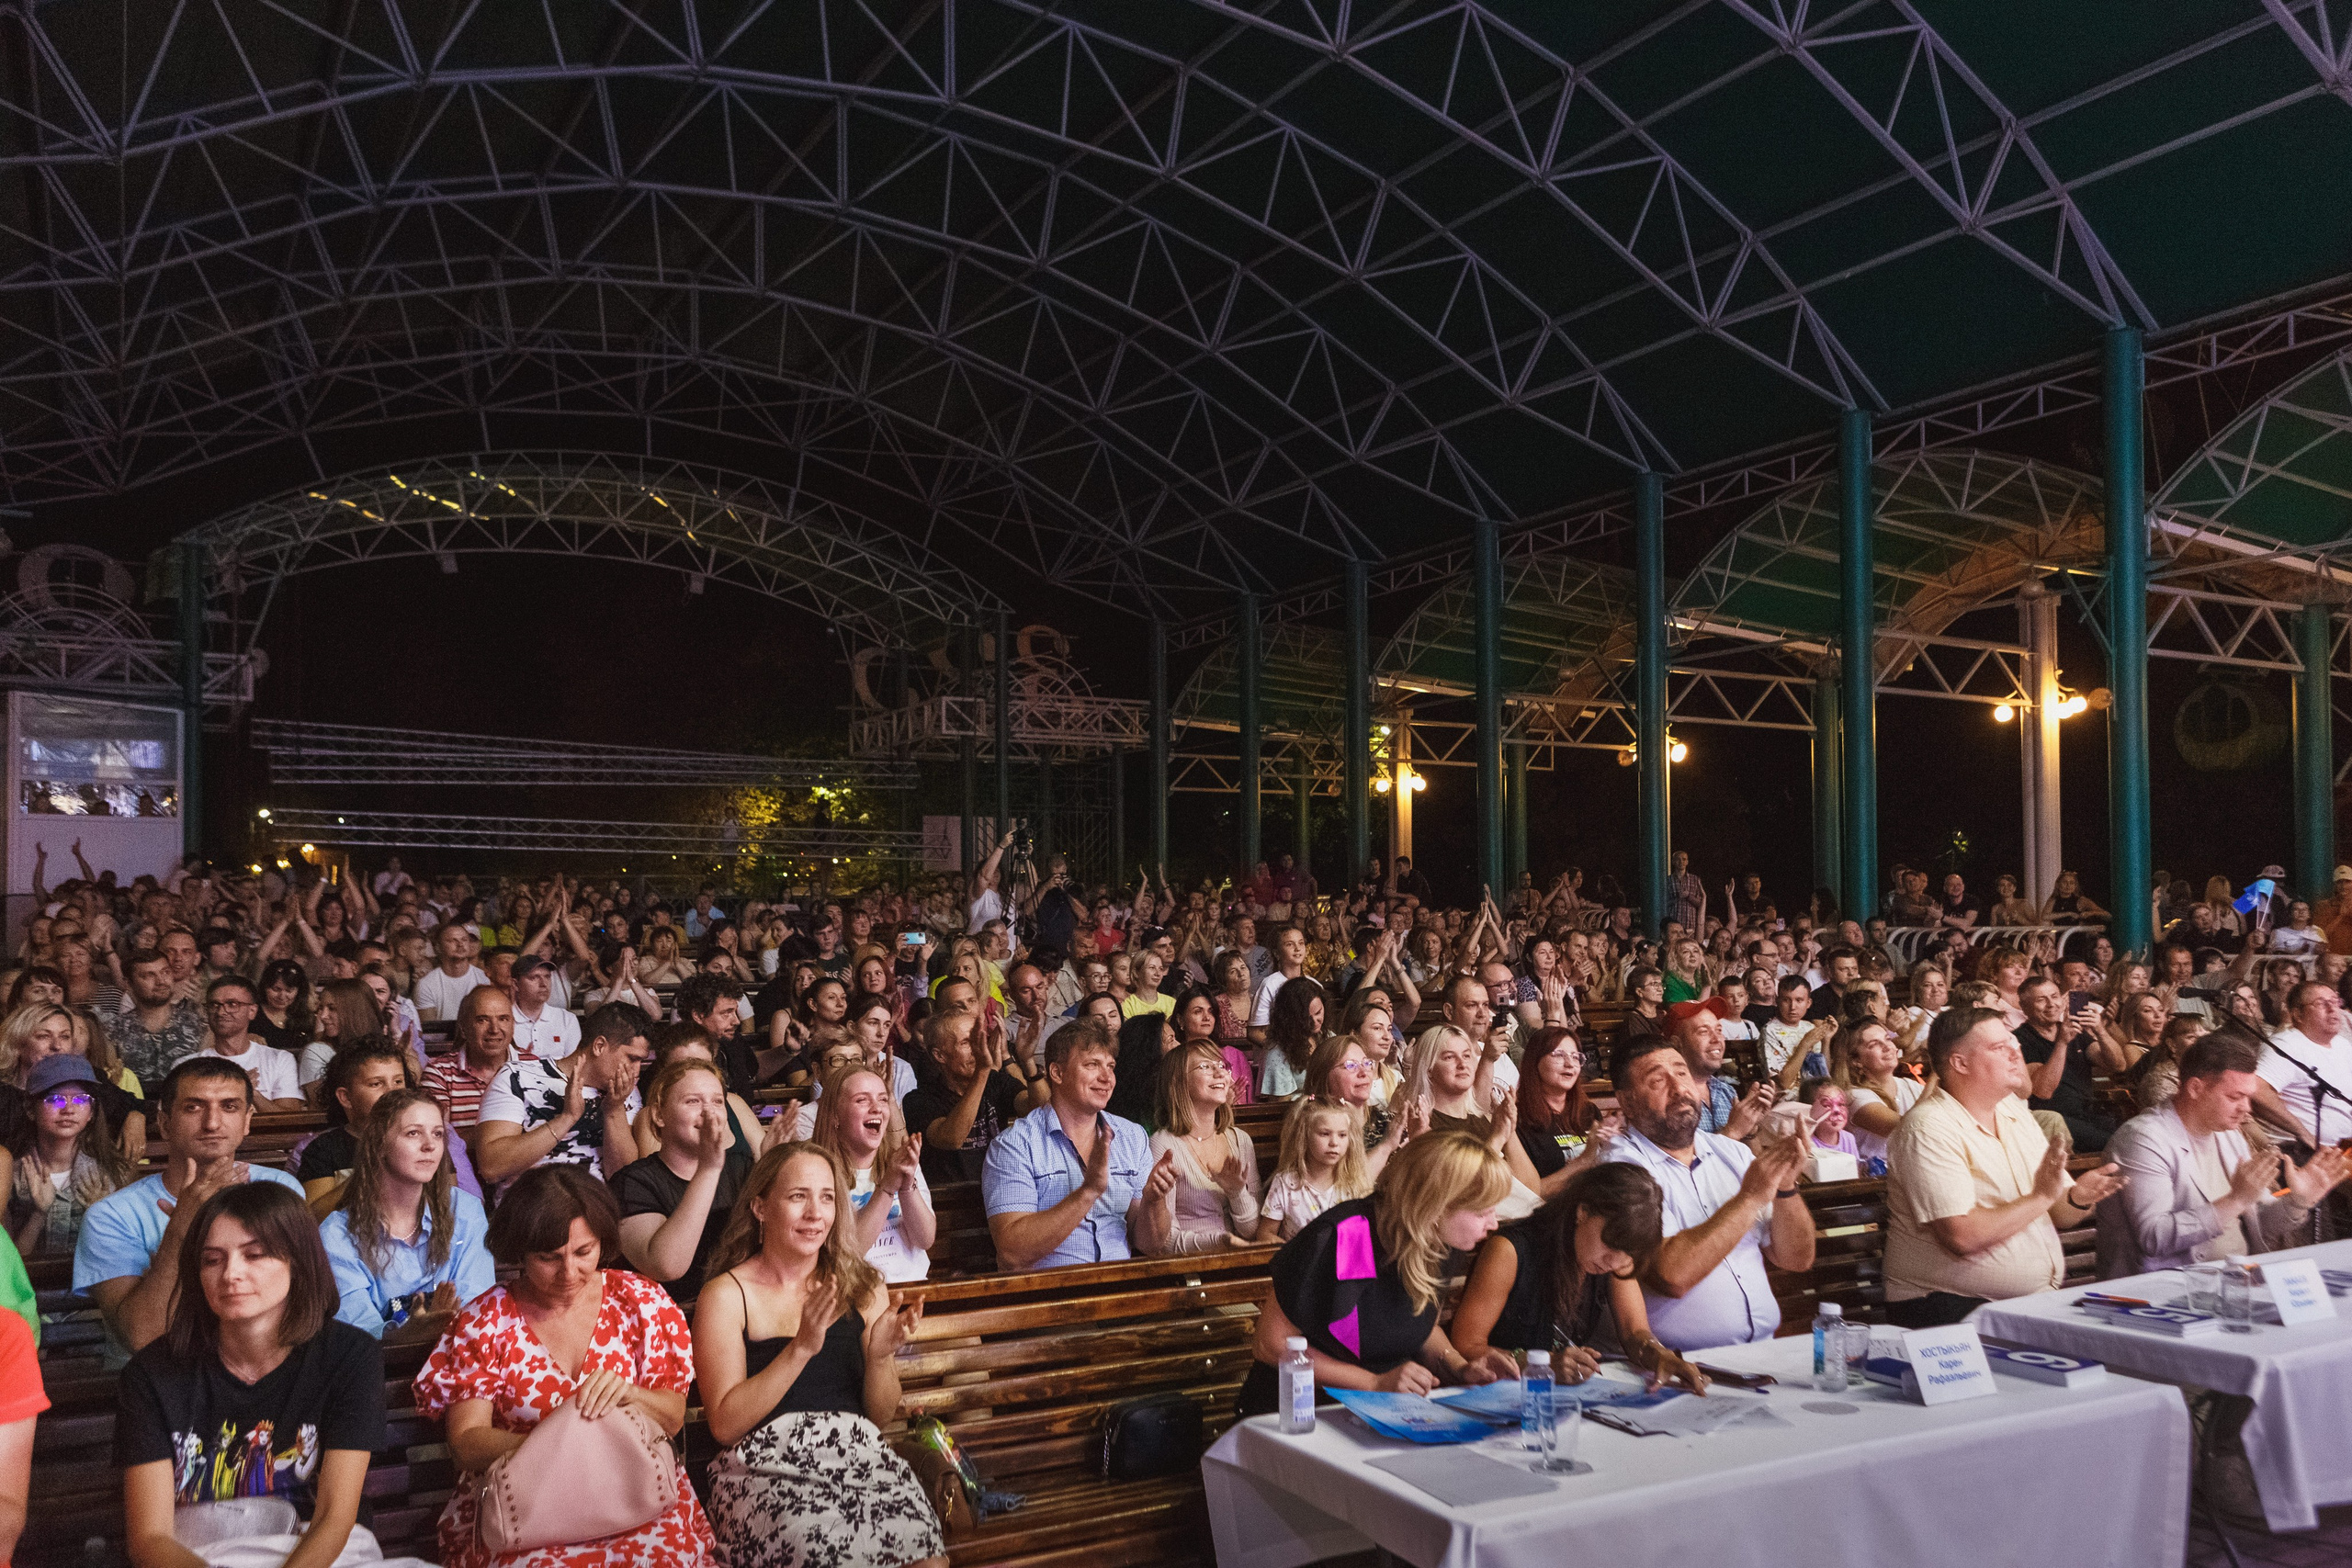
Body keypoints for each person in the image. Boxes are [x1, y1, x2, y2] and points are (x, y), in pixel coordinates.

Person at [413, 1167, 717, 1568]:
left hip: (633, 1493)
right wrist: (560, 1449)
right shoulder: (486, 1321)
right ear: (519, 1250)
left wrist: (630, 1394)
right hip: (524, 1507)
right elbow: (467, 1442)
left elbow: (673, 1418)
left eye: (583, 1252)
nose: (569, 1273)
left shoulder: (640, 1302)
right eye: (548, 1258)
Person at [692, 1144, 944, 1568]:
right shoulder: (726, 1294)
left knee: (927, 1556)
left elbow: (879, 1418)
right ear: (760, 1207)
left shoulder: (862, 1286)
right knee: (824, 1553)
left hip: (858, 1455)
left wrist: (880, 1358)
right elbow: (723, 1423)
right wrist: (801, 1349)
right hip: (762, 1468)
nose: (815, 1213)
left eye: (827, 1197)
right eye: (797, 1196)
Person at [116, 1183, 388, 1568]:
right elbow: (150, 1538)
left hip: (318, 1553)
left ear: (298, 1261)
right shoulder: (151, 1376)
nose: (231, 1274)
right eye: (212, 1260)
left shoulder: (349, 1357)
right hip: (200, 1555)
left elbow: (333, 1517)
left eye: (254, 1255)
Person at [1235, 1132, 1517, 1416]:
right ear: (1435, 1207)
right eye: (1483, 1213)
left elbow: (1417, 1324)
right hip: (1301, 1411)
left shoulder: (1441, 1241)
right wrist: (1374, 1382)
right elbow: (1270, 1345)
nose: (1493, 1224)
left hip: (1383, 1407)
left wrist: (1460, 1367)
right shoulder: (1344, 1235)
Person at [1881, 1008, 2129, 1328]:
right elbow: (1962, 1236)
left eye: (2014, 1042)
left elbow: (2063, 1213)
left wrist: (2079, 1196)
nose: (2016, 1052)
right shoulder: (1928, 1127)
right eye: (2000, 1047)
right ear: (1960, 1063)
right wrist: (2041, 1197)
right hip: (1948, 1308)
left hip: (2024, 1304)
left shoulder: (2013, 1111)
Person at [76, 1057, 307, 1360]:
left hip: (263, 1369)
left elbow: (303, 1304)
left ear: (247, 1119)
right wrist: (182, 1227)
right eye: (193, 1107)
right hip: (163, 1387)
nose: (212, 1123)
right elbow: (143, 1337)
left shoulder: (281, 1188)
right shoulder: (111, 1216)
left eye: (229, 1107)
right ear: (164, 1122)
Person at [1601, 1034, 1814, 1351]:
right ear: (1627, 1102)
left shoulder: (1732, 1152)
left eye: (1682, 1072)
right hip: (1682, 1364)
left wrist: (1785, 1188)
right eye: (1658, 1080)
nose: (1679, 1089)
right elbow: (1671, 1276)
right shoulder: (1620, 1165)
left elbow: (1796, 1259)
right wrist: (1750, 1198)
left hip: (1764, 1351)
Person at [2096, 1028, 2352, 1277]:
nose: (2246, 1109)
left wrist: (2299, 1199)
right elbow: (2154, 1238)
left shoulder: (2228, 1135)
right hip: (2165, 1293)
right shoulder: (2143, 1139)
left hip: (2233, 1280)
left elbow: (2259, 1225)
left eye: (2248, 1097)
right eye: (2234, 1097)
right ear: (2195, 1088)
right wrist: (2236, 1200)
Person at [1450, 1161, 1708, 1393]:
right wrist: (1540, 1363)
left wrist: (1658, 1354)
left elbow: (1634, 1332)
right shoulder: (1510, 1251)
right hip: (1499, 1393)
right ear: (1582, 1212)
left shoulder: (1616, 1260)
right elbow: (1466, 1345)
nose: (1614, 1262)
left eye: (1627, 1254)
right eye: (1610, 1245)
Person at [980, 1017, 1179, 1269]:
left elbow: (1151, 1245)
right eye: (1092, 1065)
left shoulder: (1132, 1136)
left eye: (1111, 1066)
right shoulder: (1014, 1146)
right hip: (1049, 1296)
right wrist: (1088, 1191)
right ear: (1057, 1073)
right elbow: (1012, 1252)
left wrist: (1154, 1201)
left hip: (1119, 1291)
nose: (1107, 1078)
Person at [322, 1089, 494, 1341]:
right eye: (413, 1133)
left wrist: (442, 1324)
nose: (430, 1145)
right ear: (379, 1143)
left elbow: (477, 1306)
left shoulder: (465, 1210)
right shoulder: (337, 1234)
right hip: (380, 1372)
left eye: (437, 1134)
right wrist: (407, 1334)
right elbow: (358, 1334)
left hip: (462, 1359)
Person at [611, 1055, 752, 1309]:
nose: (708, 1111)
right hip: (665, 1320)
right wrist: (709, 1169)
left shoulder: (742, 1167)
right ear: (659, 1115)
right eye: (693, 1101)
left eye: (718, 1101)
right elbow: (666, 1266)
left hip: (737, 1309)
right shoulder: (631, 1182)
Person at [472, 1002, 651, 1190]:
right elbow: (491, 1166)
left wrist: (614, 1110)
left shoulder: (626, 1091)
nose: (637, 1070)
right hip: (533, 1204)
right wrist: (567, 1118)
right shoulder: (517, 1076)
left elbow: (623, 1178)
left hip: (596, 1205)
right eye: (632, 1059)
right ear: (599, 1046)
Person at [811, 1061, 934, 1284]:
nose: (876, 1108)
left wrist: (906, 1186)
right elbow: (850, 1252)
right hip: (853, 1294)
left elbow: (925, 1239)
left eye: (883, 1099)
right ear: (835, 1116)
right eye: (862, 1100)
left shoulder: (902, 1159)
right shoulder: (816, 1172)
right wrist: (887, 1189)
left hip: (915, 1286)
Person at [8, 1054, 132, 1258]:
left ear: (91, 1112)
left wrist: (102, 1214)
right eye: (55, 1099)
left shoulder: (112, 1172)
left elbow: (122, 1259)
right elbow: (9, 1268)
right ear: (31, 1109)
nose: (68, 1109)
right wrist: (38, 1214)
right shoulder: (11, 1172)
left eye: (81, 1099)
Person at [1144, 1042, 1261, 1253]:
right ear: (1179, 1082)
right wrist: (1220, 1242)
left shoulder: (1241, 1140)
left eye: (1221, 1066)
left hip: (1241, 1264)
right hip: (1191, 1270)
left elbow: (1253, 1231)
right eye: (1205, 1067)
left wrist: (1236, 1193)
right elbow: (1166, 1240)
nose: (1219, 1073)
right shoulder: (1164, 1145)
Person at [902, 1010, 1032, 1186]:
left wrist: (1029, 1062)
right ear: (939, 1055)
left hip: (1000, 1192)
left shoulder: (994, 1081)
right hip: (949, 1204)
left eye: (979, 1040)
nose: (977, 1050)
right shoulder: (919, 1100)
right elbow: (952, 1139)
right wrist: (983, 1070)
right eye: (966, 1042)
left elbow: (1038, 1108)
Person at [2015, 976, 2121, 1152]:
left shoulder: (2075, 1031)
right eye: (2041, 1000)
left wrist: (2100, 1030)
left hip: (2091, 1113)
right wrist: (2062, 1043)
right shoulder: (2020, 1039)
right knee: (2118, 1146)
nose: (2051, 1004)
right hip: (2058, 1119)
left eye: (2055, 996)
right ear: (2024, 1007)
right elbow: (2043, 1091)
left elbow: (2117, 1065)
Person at [1514, 1026, 1620, 1197]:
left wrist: (1612, 1142)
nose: (1570, 1064)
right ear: (1535, 1061)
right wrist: (1585, 1159)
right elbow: (1528, 1194)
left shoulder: (1588, 1111)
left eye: (1575, 1057)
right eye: (1559, 1055)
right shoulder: (1518, 1120)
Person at [2253, 981, 2352, 1149]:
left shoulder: (2342, 1044)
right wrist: (2303, 1133)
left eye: (2335, 1001)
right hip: (2306, 1152)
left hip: (2344, 1150)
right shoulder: (2287, 1045)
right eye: (2321, 1003)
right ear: (2298, 1014)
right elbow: (2257, 1091)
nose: (2332, 1008)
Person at [1258, 1097, 1372, 1241]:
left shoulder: (1355, 1184)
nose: (1334, 1143)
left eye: (1342, 1135)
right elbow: (1265, 1233)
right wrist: (1292, 1253)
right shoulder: (1286, 1183)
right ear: (1304, 1136)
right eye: (1325, 1134)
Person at [422, 984, 526, 1137]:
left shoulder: (533, 1066)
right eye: (482, 1020)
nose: (494, 1029)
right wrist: (507, 1137)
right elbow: (437, 1138)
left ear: (513, 1025)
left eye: (503, 1019)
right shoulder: (439, 1073)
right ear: (464, 1029)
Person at [191, 976, 306, 1111]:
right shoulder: (187, 1066)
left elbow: (290, 1121)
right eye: (214, 1005)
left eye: (232, 1005)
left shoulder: (280, 1059)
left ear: (252, 1011)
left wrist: (252, 1093)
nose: (221, 1012)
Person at [105, 950, 204, 1089]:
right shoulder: (113, 1030)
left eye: (165, 972)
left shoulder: (199, 1026)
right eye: (148, 975)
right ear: (128, 984)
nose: (161, 981)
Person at [297, 977, 387, 1099]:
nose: (323, 1016)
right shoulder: (317, 1052)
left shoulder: (381, 1047)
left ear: (354, 1012)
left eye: (332, 1009)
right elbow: (321, 1105)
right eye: (321, 1008)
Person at [505, 954, 582, 1061]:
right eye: (534, 977)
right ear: (516, 984)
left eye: (547, 977)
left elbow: (574, 1064)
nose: (543, 984)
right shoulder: (503, 1019)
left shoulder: (567, 1019)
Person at [412, 922, 488, 1023]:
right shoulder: (426, 985)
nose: (460, 944)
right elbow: (430, 1031)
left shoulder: (485, 979)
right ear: (438, 947)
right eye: (452, 940)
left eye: (464, 940)